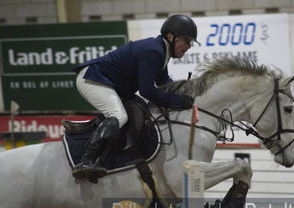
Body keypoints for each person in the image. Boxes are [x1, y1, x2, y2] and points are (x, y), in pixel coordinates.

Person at [72, 14, 199, 180]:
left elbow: (163, 82)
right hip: (93, 79)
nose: (189, 46)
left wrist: (186, 93)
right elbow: (147, 90)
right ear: (171, 37)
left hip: (110, 84)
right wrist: (178, 101)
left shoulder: (162, 50)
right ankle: (86, 161)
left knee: (143, 111)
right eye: (187, 41)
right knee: (119, 116)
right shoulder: (154, 51)